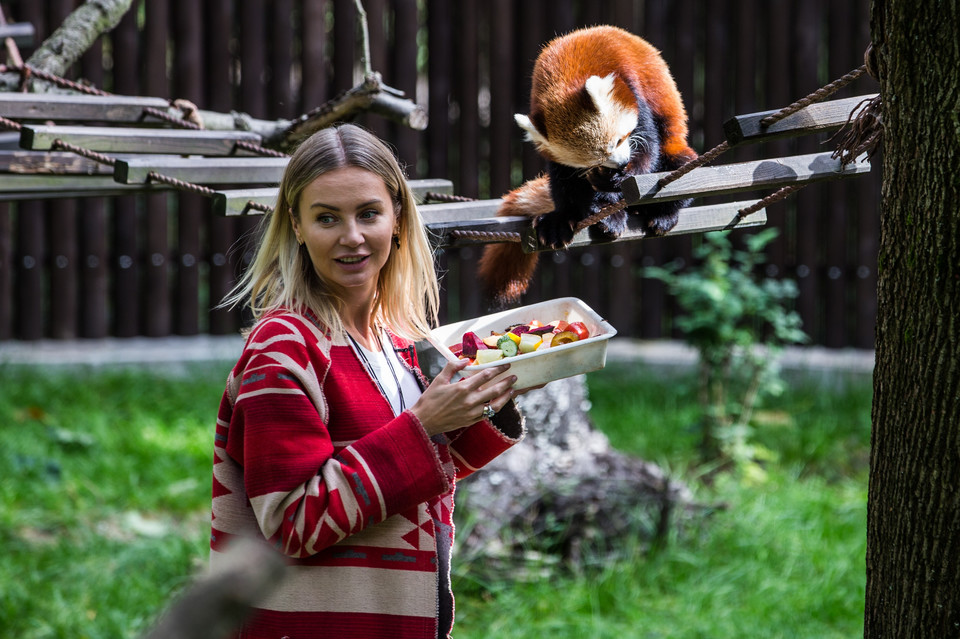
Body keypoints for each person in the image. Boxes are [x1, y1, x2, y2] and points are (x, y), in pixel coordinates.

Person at [210, 123, 527, 639]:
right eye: (327, 218)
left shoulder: (390, 336)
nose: (351, 237)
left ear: (397, 219)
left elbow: (409, 482)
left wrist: (489, 397)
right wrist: (423, 425)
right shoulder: (284, 348)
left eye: (368, 214)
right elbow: (294, 523)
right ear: (296, 225)